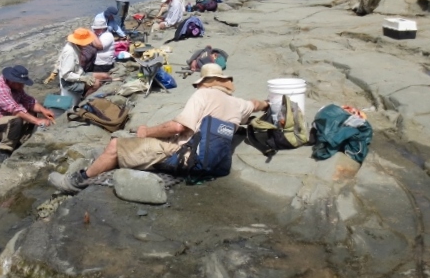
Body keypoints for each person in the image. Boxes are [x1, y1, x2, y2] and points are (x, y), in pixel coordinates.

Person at [48, 64, 270, 193]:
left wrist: (147, 131)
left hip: (183, 154)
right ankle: (102, 163)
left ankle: (78, 181)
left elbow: (176, 127)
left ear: (204, 82)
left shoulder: (203, 94)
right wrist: (269, 104)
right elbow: (256, 104)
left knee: (116, 145)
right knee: (121, 146)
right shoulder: (239, 104)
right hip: (215, 159)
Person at [0, 65, 55, 162]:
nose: (22, 86)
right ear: (12, 80)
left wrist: (43, 111)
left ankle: (22, 142)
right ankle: (4, 152)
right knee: (16, 120)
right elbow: (16, 110)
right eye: (20, 83)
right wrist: (38, 121)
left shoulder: (16, 87)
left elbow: (28, 101)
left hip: (4, 120)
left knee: (30, 112)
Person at [57, 28, 112, 107]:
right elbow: (66, 75)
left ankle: (91, 94)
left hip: (80, 74)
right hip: (70, 82)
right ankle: (84, 102)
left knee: (105, 76)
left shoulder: (77, 47)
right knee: (96, 84)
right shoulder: (70, 52)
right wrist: (83, 78)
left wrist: (84, 77)